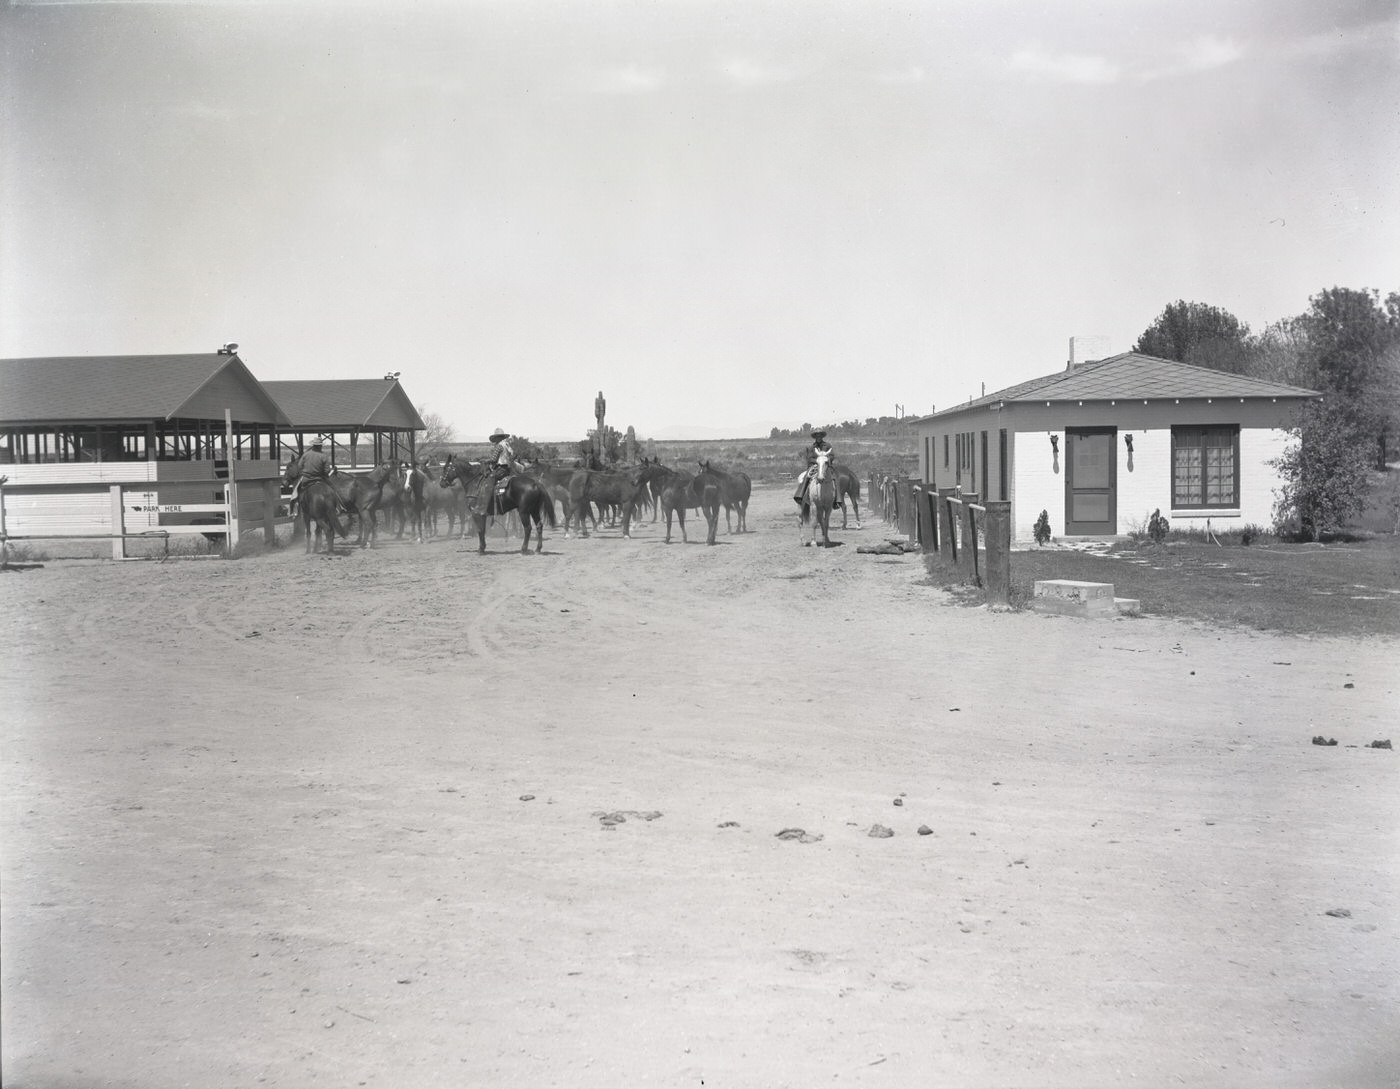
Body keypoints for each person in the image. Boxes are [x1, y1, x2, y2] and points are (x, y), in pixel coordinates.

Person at [793, 428, 834, 506]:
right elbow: (809, 458)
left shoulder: (828, 445)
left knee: (835, 476)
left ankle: (837, 499)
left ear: (822, 436)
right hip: (814, 466)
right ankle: (800, 495)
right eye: (817, 436)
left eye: (820, 435)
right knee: (806, 476)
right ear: (815, 437)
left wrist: (826, 460)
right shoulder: (812, 447)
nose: (818, 437)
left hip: (826, 465)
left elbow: (832, 456)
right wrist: (818, 461)